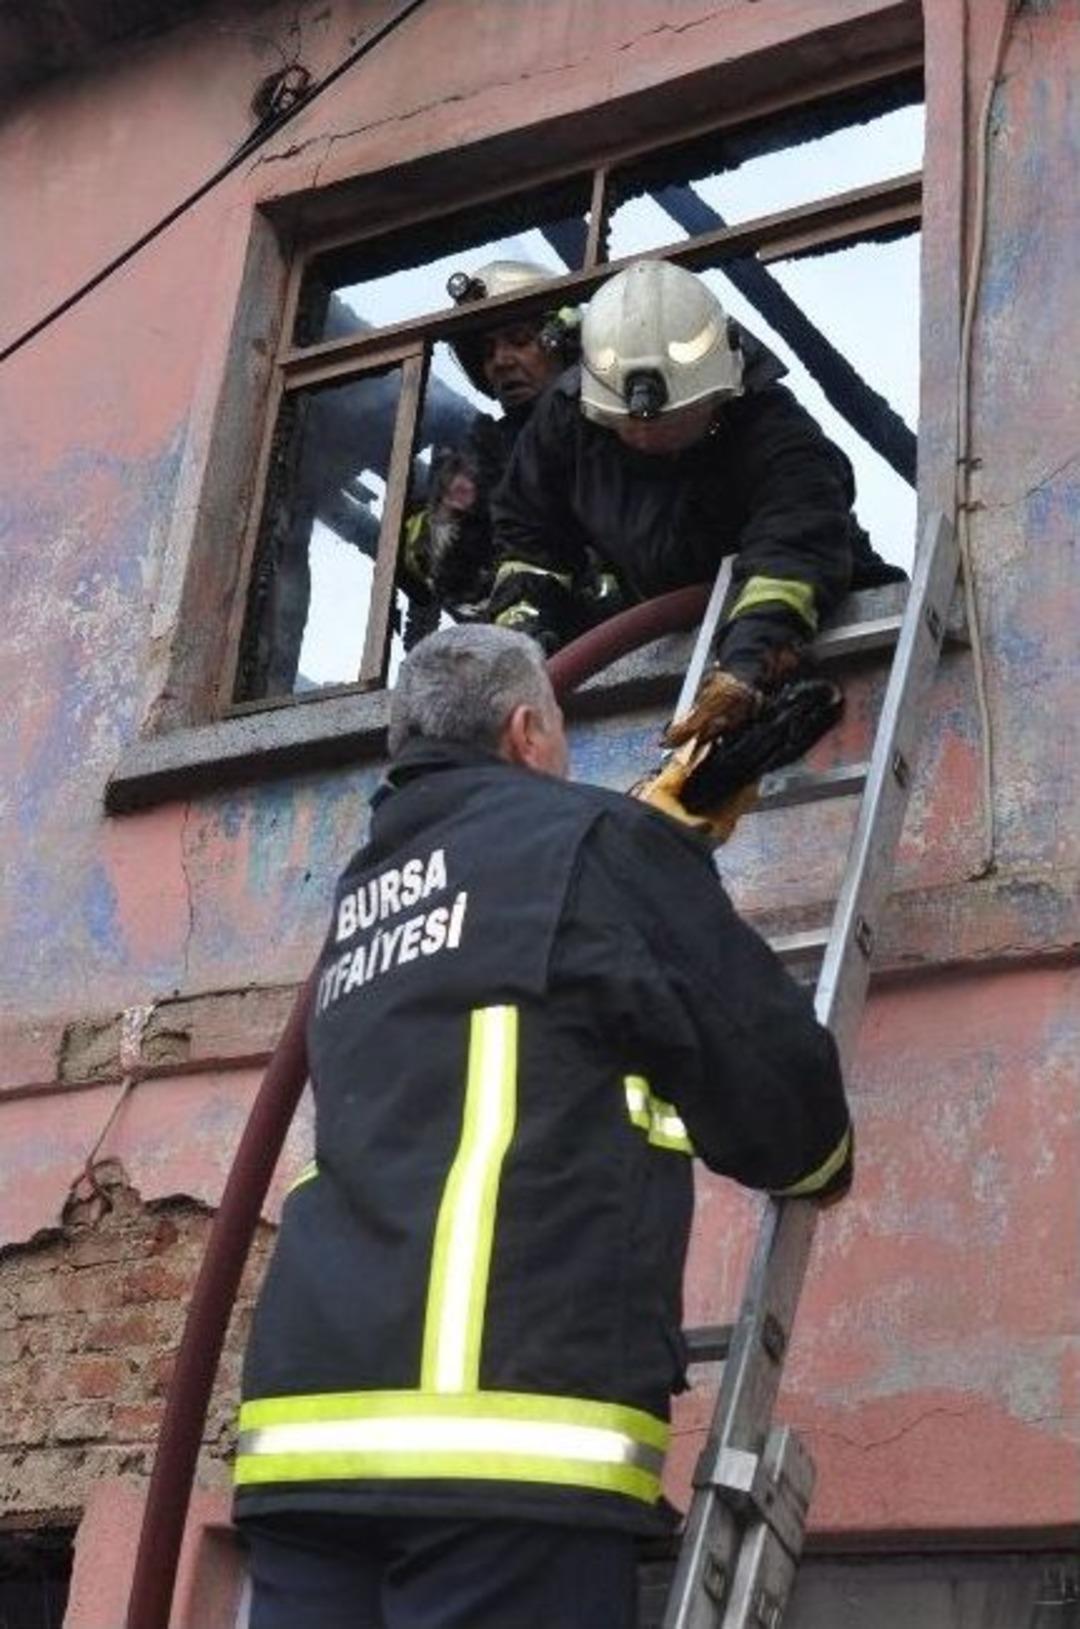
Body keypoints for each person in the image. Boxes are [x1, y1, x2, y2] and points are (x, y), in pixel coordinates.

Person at [233, 623, 852, 1629]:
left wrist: (656, 842)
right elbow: (778, 1095)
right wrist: (824, 1159)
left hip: (308, 1444)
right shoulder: (597, 847)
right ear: (528, 731)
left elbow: (513, 951)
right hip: (500, 1447)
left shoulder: (364, 898)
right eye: (560, 733)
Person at [488, 258, 901, 821]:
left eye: (668, 423)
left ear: (716, 396)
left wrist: (748, 665)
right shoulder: (567, 422)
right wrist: (528, 654)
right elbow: (529, 545)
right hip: (676, 626)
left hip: (824, 618)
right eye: (629, 427)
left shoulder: (774, 432)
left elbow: (793, 549)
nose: (645, 437)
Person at [401, 259, 583, 624]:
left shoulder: (608, 423)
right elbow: (435, 569)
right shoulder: (482, 454)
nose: (500, 361)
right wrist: (450, 511)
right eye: (486, 351)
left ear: (562, 342)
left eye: (518, 340)